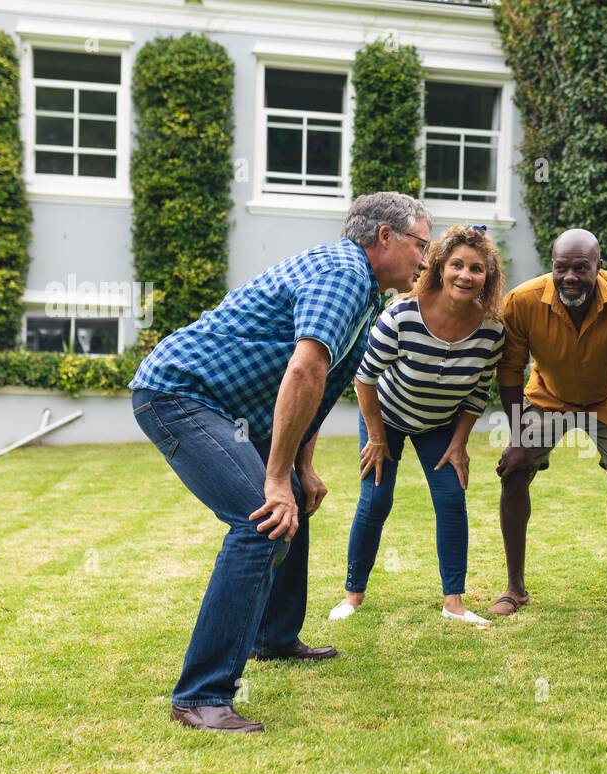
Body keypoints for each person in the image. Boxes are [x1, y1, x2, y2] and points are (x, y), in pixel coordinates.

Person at [129, 192, 432, 733]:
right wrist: (274, 479)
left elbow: (320, 382)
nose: (425, 260)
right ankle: (200, 695)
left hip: (224, 405)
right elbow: (304, 371)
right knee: (261, 520)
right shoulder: (343, 276)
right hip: (180, 394)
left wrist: (300, 469)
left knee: (294, 497)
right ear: (384, 238)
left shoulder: (361, 289)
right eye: (420, 245)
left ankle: (273, 637)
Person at [332, 226, 505, 625]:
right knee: (375, 500)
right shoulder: (402, 315)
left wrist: (459, 444)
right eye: (457, 265)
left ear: (487, 278)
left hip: (439, 424)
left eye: (476, 269)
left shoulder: (492, 330)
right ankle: (352, 595)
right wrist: (376, 438)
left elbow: (478, 393)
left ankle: (454, 603)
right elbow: (365, 378)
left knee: (451, 499)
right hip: (386, 416)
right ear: (441, 267)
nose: (465, 275)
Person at [489, 229, 607, 621]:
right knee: (513, 469)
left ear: (599, 267)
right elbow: (509, 370)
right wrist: (516, 436)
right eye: (562, 268)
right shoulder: (523, 301)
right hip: (549, 398)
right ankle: (515, 588)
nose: (570, 277)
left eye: (581, 268)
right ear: (552, 266)